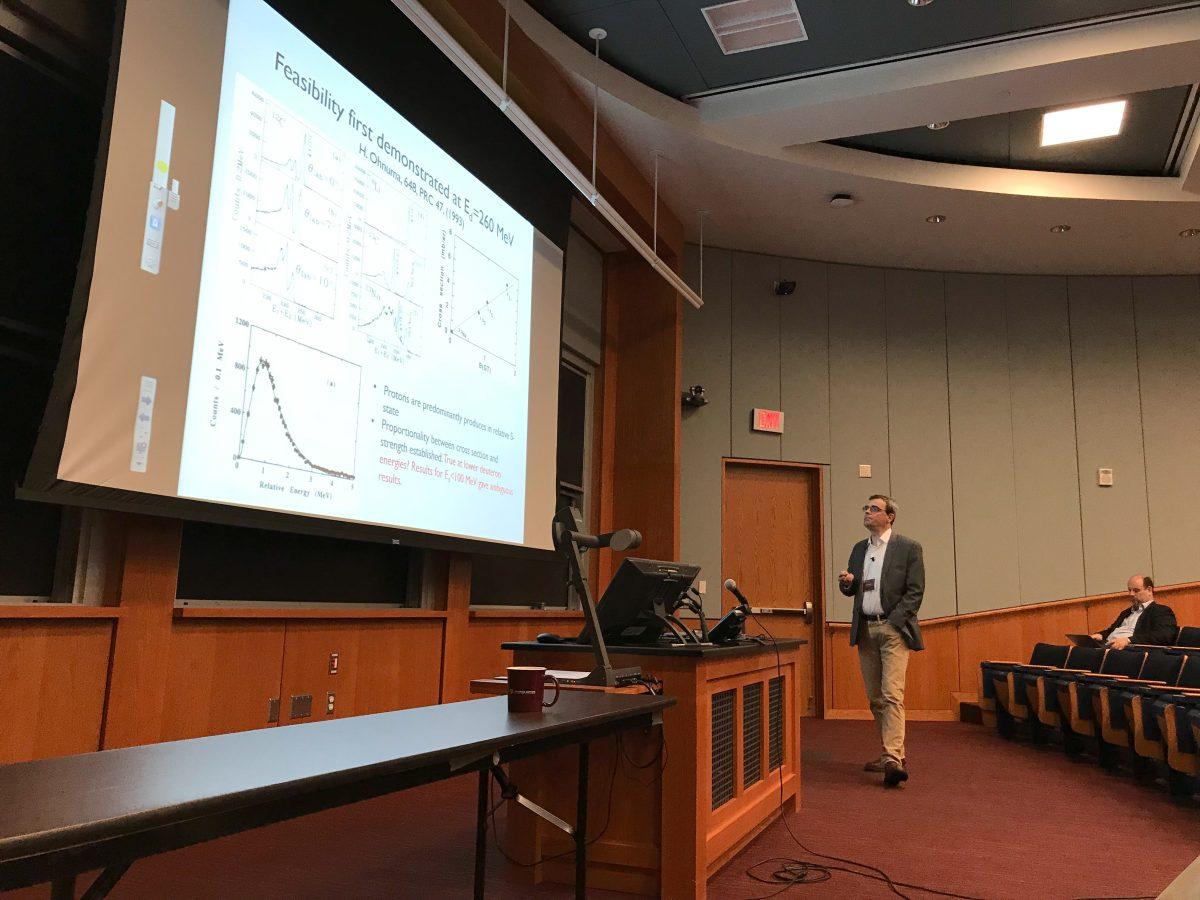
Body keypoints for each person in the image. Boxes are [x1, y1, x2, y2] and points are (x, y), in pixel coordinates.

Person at [837, 495, 924, 787]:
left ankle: (892, 758)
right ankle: (892, 752)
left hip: (893, 630)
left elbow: (915, 591)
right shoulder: (859, 549)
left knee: (891, 695)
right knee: (875, 698)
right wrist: (847, 583)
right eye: (866, 508)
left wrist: (895, 623)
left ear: (890, 517)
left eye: (874, 508)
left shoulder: (908, 548)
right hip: (865, 629)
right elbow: (852, 590)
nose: (868, 512)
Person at [1088, 575, 1176, 649]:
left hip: (1131, 650)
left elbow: (1164, 635)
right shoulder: (1126, 612)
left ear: (1149, 590)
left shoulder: (1161, 611)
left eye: (1136, 590)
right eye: (1129, 590)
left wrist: (1128, 640)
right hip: (1109, 645)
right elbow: (1112, 630)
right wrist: (1101, 635)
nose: (1131, 594)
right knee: (1080, 650)